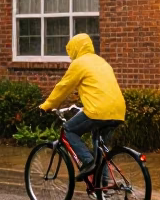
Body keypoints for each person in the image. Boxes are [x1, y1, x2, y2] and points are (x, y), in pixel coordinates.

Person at [39, 33, 126, 180]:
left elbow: (63, 87)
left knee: (68, 130)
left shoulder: (79, 63)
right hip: (118, 111)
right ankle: (104, 185)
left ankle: (88, 162)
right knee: (101, 149)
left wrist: (46, 106)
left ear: (75, 49)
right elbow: (99, 89)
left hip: (98, 111)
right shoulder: (102, 62)